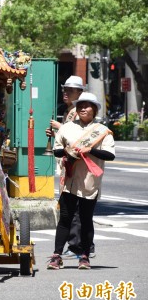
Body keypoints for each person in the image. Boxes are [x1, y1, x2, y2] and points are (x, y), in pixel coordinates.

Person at [47, 92, 115, 270]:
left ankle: (84, 256)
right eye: (80, 105)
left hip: (90, 181)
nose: (83, 108)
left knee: (86, 218)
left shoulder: (102, 131)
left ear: (94, 109)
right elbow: (56, 151)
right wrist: (69, 151)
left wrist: (89, 149)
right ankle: (56, 255)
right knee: (65, 218)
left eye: (87, 105)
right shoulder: (67, 128)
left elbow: (110, 155)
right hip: (69, 178)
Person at [45, 75, 93, 259]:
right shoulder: (69, 111)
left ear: (80, 93)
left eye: (70, 90)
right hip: (68, 162)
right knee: (72, 208)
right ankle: (77, 245)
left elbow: (78, 136)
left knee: (76, 208)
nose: (66, 93)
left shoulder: (76, 112)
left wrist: (60, 127)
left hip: (77, 164)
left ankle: (78, 245)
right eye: (65, 89)